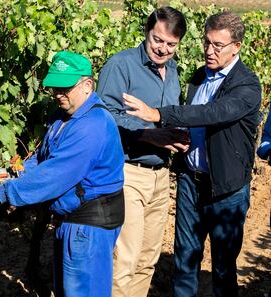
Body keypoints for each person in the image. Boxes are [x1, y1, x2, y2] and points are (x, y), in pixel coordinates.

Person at [124, 11, 262, 297]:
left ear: (237, 46)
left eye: (217, 46)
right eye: (206, 43)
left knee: (223, 268)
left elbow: (213, 113)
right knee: (185, 261)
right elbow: (192, 118)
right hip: (190, 182)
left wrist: (158, 114)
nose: (209, 51)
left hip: (226, 189)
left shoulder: (247, 85)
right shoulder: (199, 76)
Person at [0, 51, 125, 297]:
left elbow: (53, 176)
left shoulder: (92, 125)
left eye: (65, 87)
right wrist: (15, 172)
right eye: (54, 87)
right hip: (73, 222)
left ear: (87, 85)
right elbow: (45, 158)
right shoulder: (64, 116)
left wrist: (0, 193)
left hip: (89, 227)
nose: (57, 93)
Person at [96, 6, 188, 297]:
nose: (163, 49)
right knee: (125, 260)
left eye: (171, 44)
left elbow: (171, 115)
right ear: (147, 33)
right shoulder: (121, 65)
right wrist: (150, 135)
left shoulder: (173, 71)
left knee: (148, 261)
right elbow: (105, 116)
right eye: (157, 40)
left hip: (161, 177)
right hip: (128, 173)